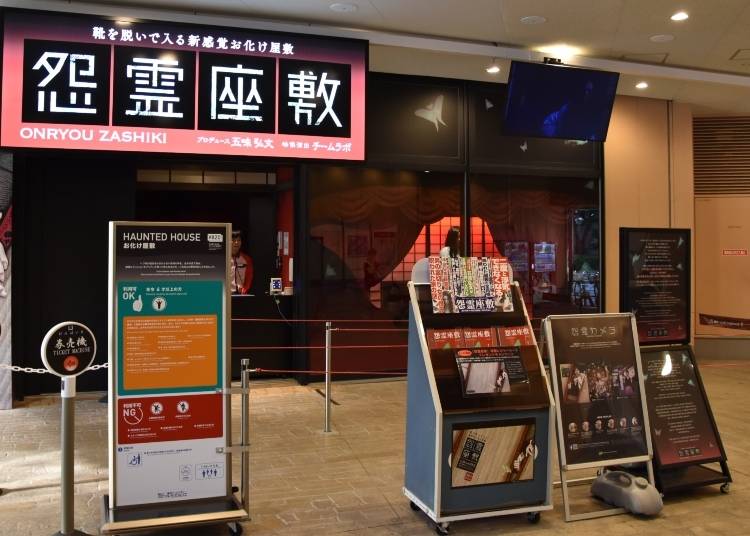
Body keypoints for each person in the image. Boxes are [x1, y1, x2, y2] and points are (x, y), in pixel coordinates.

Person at [230, 230, 253, 295]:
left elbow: (249, 276)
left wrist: (245, 289)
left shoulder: (246, 259)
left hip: (241, 294)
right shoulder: (222, 258)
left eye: (239, 240)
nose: (236, 242)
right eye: (233, 240)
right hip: (226, 294)